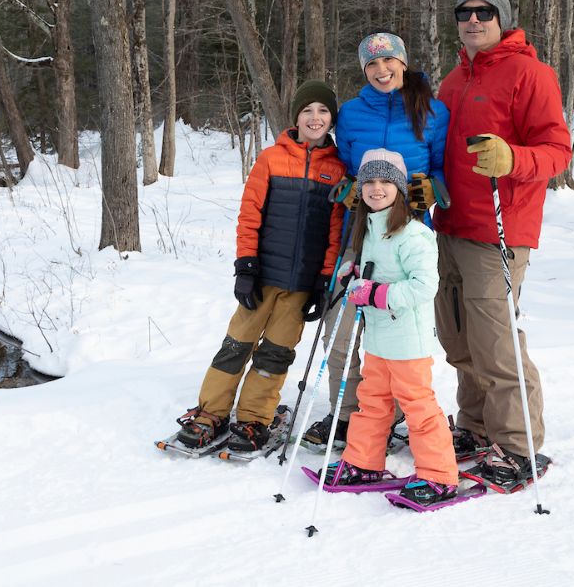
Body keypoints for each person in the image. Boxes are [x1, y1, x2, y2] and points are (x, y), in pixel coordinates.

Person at [435, 0, 572, 484]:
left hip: (499, 227)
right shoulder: (453, 81)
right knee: (457, 335)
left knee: (495, 339)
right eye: (464, 11)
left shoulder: (530, 73)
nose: (473, 20)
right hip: (450, 224)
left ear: (503, 17)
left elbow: (557, 150)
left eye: (484, 11)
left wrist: (513, 158)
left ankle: (518, 445)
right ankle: (474, 424)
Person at [173, 80, 346, 453]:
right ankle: (211, 412)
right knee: (237, 345)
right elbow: (249, 214)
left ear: (331, 119)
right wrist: (245, 267)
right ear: (296, 117)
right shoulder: (271, 158)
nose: (315, 118)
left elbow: (335, 230)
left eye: (323, 111)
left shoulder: (337, 168)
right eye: (307, 111)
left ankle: (253, 417)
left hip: (300, 285)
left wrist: (323, 279)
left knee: (276, 353)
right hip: (262, 277)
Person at [302, 31, 449, 449]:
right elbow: (344, 165)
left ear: (403, 63)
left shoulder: (433, 112)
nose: (382, 71)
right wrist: (348, 188)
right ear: (363, 70)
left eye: (389, 62)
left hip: (406, 229)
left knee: (396, 318)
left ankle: (393, 411)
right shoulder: (349, 113)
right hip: (357, 230)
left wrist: (432, 190)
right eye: (372, 64)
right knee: (344, 319)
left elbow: (442, 170)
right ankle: (347, 414)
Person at [318, 149, 458, 506]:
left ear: (398, 188)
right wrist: (355, 274)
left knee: (418, 407)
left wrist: (377, 293)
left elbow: (425, 286)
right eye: (369, 182)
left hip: (407, 341)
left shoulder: (413, 234)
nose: (376, 189)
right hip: (379, 339)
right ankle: (363, 462)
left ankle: (440, 475)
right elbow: (372, 272)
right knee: (373, 402)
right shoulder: (367, 229)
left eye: (385, 182)